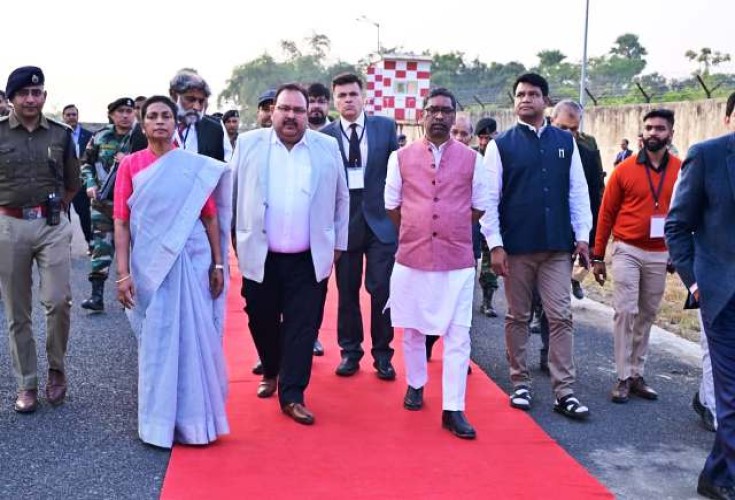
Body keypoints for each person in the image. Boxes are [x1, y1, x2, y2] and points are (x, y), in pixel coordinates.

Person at [114, 95, 230, 448]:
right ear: (143, 123)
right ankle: (157, 424)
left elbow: (210, 217)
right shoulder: (131, 165)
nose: (160, 121)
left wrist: (218, 263)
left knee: (194, 336)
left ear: (176, 123)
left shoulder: (192, 166)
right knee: (157, 339)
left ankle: (196, 422)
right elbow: (121, 222)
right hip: (150, 264)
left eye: (166, 116)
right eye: (152, 116)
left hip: (192, 259)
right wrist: (122, 273)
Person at [232, 83, 349, 425]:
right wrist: (232, 241)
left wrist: (338, 244)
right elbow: (231, 195)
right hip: (260, 255)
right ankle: (271, 369)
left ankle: (293, 394)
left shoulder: (326, 147)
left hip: (308, 257)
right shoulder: (248, 144)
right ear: (273, 111)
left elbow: (342, 199)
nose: (291, 116)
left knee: (303, 326)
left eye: (298, 110)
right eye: (285, 109)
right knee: (261, 319)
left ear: (308, 114)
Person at [481, 73, 592, 421]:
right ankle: (520, 383)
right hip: (517, 247)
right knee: (518, 315)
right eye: (520, 95)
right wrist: (495, 245)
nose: (525, 99)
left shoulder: (565, 142)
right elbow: (488, 199)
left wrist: (583, 235)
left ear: (546, 100)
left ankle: (564, 391)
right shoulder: (501, 145)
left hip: (557, 247)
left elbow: (577, 190)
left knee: (561, 315)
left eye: (532, 94)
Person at [386, 88, 487, 439]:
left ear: (455, 116)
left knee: (458, 333)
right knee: (413, 328)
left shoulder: (473, 159)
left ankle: (453, 408)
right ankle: (416, 383)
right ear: (422, 116)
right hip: (411, 256)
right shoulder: (400, 157)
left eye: (447, 111)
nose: (440, 116)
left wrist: (449, 228)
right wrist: (418, 230)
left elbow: (480, 205)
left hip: (456, 259)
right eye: (433, 110)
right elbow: (391, 204)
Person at [664, 100, 735, 500]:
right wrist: (694, 282)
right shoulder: (707, 156)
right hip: (724, 296)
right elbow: (677, 226)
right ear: (728, 118)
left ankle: (716, 474)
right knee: (731, 394)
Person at [0, 66, 80, 413]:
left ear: (44, 96)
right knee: (17, 310)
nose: (31, 99)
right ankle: (27, 383)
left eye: (37, 93)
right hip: (9, 225)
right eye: (24, 94)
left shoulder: (61, 134)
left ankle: (57, 369)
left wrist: (56, 210)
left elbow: (73, 182)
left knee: (58, 300)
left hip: (51, 224)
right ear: (11, 98)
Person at [592, 109, 680, 404]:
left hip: (660, 252)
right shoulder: (624, 169)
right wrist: (598, 255)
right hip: (627, 249)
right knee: (625, 311)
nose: (653, 132)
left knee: (647, 313)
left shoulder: (682, 170)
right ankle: (622, 376)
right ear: (642, 133)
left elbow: (686, 214)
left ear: (671, 134)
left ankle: (637, 373)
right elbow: (606, 213)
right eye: (649, 128)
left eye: (660, 128)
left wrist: (678, 252)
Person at [321, 73, 399, 380]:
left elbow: (397, 173)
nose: (348, 100)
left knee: (381, 289)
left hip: (381, 223)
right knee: (347, 291)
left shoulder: (385, 127)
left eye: (353, 94)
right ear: (334, 101)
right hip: (345, 224)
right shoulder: (325, 136)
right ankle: (350, 352)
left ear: (363, 96)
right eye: (341, 96)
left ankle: (383, 354)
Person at [79, 97, 135, 311]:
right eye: (120, 111)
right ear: (111, 115)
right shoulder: (100, 136)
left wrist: (129, 160)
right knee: (101, 247)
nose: (125, 115)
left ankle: (133, 297)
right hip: (103, 203)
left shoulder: (141, 137)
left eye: (129, 111)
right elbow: (86, 163)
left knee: (135, 249)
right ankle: (97, 296)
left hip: (132, 204)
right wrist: (90, 183)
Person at [131, 69, 226, 162]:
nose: (196, 107)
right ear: (174, 95)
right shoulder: (145, 128)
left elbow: (218, 168)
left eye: (201, 101)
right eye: (190, 99)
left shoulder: (214, 130)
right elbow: (136, 166)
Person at [61, 104, 94, 253]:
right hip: (62, 182)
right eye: (68, 115)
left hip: (81, 182)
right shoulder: (58, 135)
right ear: (63, 117)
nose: (71, 117)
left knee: (84, 214)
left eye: (73, 114)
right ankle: (64, 245)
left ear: (78, 116)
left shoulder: (89, 136)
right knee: (63, 215)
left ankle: (90, 243)